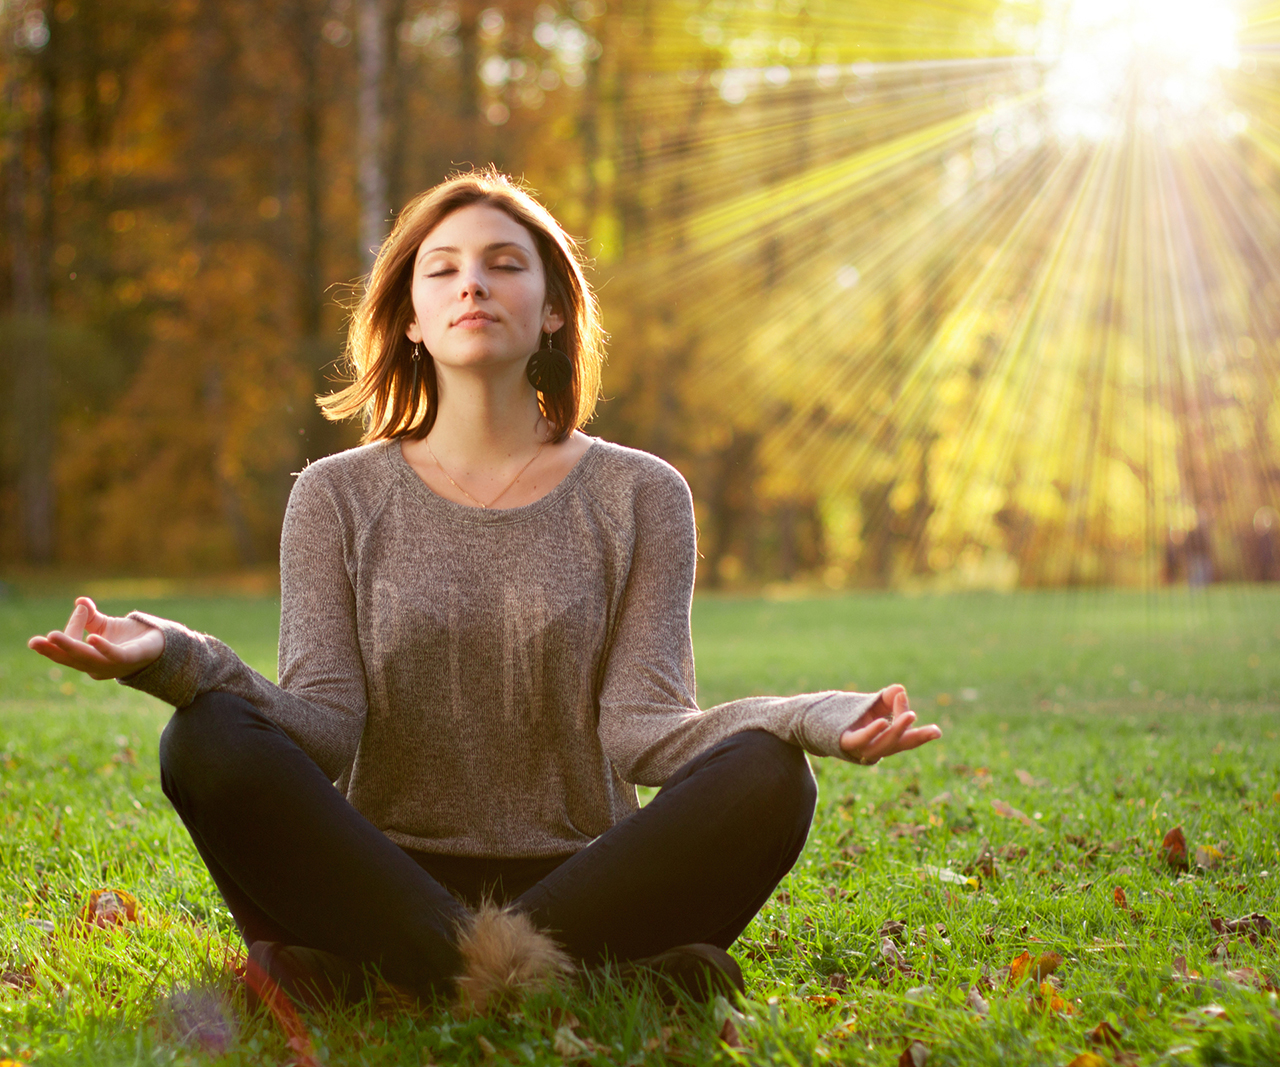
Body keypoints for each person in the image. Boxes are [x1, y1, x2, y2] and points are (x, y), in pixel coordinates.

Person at [28, 169, 941, 1013]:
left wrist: (814, 717)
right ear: (413, 316)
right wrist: (171, 655)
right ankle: (565, 978)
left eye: (506, 265)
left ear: (551, 310)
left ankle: (392, 978)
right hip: (375, 876)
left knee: (771, 776)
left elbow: (647, 731)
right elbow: (323, 724)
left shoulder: (642, 494)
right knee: (204, 736)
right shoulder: (335, 497)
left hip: (586, 878)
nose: (474, 284)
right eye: (444, 269)